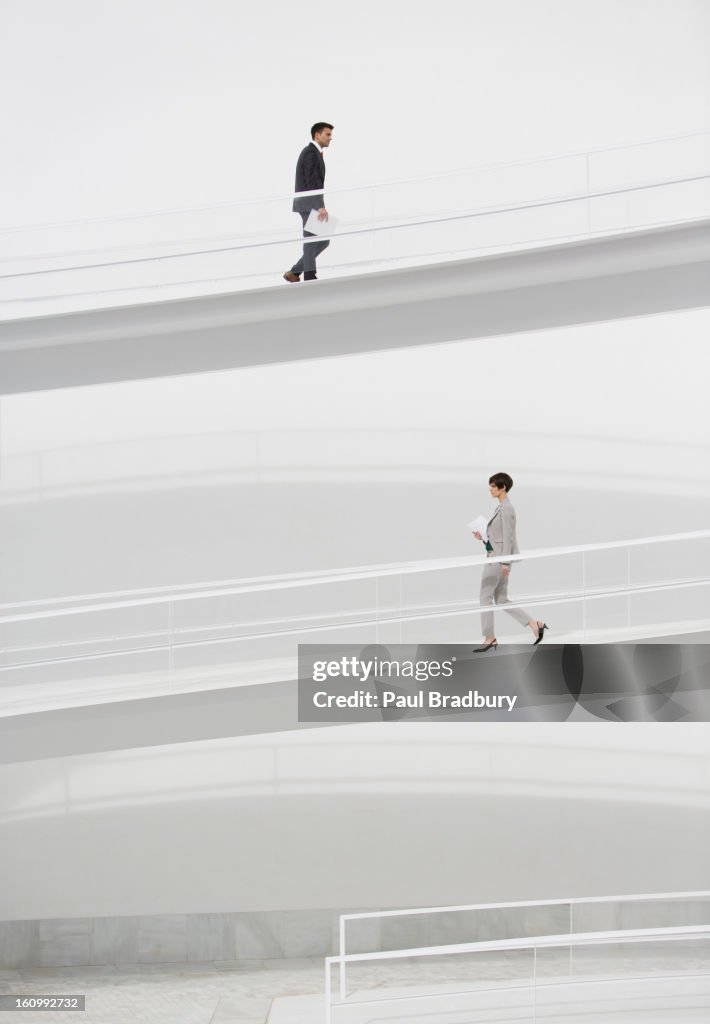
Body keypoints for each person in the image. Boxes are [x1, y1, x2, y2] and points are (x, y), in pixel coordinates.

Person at [472, 472, 548, 652]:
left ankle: (489, 637)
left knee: (485, 597)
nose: (490, 489)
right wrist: (483, 537)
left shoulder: (506, 508)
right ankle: (534, 624)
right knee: (501, 598)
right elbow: (499, 536)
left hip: (498, 560)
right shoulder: (501, 507)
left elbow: (509, 536)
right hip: (498, 557)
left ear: (503, 487)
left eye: (492, 486)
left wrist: (505, 563)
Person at [284, 122, 333, 283]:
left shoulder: (315, 153)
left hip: (310, 203)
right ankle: (310, 276)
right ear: (316, 135)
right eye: (327, 134)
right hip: (308, 204)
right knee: (311, 241)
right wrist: (320, 207)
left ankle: (295, 272)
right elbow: (313, 183)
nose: (330, 138)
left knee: (324, 240)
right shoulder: (310, 153)